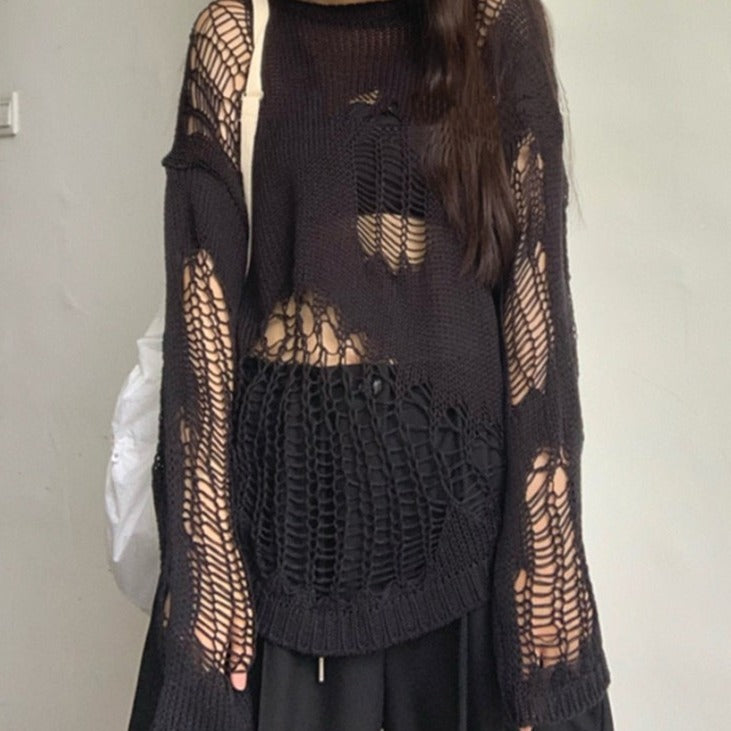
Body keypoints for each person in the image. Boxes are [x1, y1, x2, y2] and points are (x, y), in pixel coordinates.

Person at [127, 0, 614, 729]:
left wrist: (545, 557)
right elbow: (202, 320)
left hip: (466, 560)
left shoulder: (490, 21)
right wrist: (206, 554)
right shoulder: (236, 32)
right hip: (277, 551)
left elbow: (534, 297)